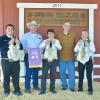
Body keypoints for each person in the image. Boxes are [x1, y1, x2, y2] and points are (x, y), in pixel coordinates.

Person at [0, 24, 23, 96]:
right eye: (8, 28)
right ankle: (6, 91)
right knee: (6, 76)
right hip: (6, 60)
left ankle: (17, 90)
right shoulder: (2, 38)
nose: (10, 30)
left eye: (11, 29)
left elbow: (21, 48)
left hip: (15, 61)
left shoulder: (16, 38)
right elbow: (2, 48)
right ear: (6, 30)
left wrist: (19, 43)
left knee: (16, 77)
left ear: (13, 30)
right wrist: (8, 43)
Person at [20, 20, 43, 93]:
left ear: (36, 27)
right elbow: (21, 46)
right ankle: (27, 87)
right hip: (28, 55)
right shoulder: (25, 36)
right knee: (28, 72)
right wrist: (25, 49)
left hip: (37, 55)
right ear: (29, 27)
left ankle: (35, 86)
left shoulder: (39, 36)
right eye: (32, 26)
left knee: (36, 72)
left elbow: (42, 46)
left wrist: (40, 52)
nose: (33, 28)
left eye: (35, 26)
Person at [39, 29, 62, 95]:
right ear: (47, 35)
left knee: (53, 75)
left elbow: (60, 48)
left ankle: (52, 89)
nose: (50, 35)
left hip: (53, 60)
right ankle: (43, 90)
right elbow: (40, 47)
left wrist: (55, 43)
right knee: (44, 75)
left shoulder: (57, 41)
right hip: (46, 60)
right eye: (49, 33)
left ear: (54, 34)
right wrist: (45, 44)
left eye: (52, 33)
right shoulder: (45, 41)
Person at [56, 22, 77, 91]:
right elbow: (55, 45)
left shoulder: (74, 34)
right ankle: (64, 85)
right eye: (65, 25)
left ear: (70, 27)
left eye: (68, 26)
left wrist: (77, 53)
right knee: (62, 72)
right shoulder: (58, 35)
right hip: (61, 57)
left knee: (72, 73)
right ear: (63, 26)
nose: (67, 27)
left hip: (71, 57)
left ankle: (71, 86)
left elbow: (76, 44)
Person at [74, 30, 95, 95]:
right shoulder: (79, 42)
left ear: (87, 35)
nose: (84, 35)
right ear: (81, 35)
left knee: (89, 76)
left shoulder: (90, 42)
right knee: (81, 75)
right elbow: (75, 50)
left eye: (85, 34)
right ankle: (80, 89)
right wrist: (78, 45)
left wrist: (88, 45)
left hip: (88, 61)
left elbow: (93, 50)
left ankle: (90, 90)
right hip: (80, 60)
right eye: (83, 34)